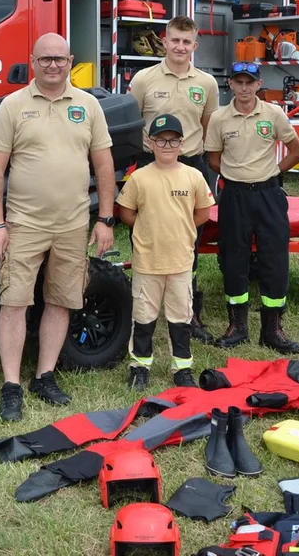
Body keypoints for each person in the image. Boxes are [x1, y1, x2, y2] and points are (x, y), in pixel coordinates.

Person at [0, 33, 117, 421]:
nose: (53, 65)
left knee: (61, 299)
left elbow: (104, 165)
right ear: (33, 61)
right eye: (46, 59)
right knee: (14, 302)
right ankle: (11, 385)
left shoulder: (89, 105)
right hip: (23, 223)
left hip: (74, 223)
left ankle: (45, 375)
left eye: (60, 59)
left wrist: (105, 219)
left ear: (70, 60)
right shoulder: (13, 106)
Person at [127, 15, 221, 344]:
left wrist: (207, 172)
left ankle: (188, 314)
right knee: (146, 236)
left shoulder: (206, 84)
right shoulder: (143, 79)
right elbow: (130, 123)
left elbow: (209, 126)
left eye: (187, 42)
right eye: (174, 40)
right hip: (150, 164)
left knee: (189, 242)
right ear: (164, 42)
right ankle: (143, 311)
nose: (180, 47)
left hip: (191, 165)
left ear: (195, 46)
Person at [204, 62, 299, 353]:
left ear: (259, 84)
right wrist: (237, 175)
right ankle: (237, 327)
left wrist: (274, 173)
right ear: (231, 85)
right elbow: (214, 159)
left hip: (268, 195)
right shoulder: (220, 118)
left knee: (275, 260)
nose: (244, 88)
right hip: (234, 197)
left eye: (250, 82)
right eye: (238, 82)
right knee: (234, 259)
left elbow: (296, 151)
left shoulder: (273, 114)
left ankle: (273, 330)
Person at [116, 113, 215, 391]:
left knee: (181, 317)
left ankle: (182, 368)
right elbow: (126, 212)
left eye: (173, 141)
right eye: (161, 141)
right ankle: (140, 366)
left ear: (182, 144)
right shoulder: (139, 177)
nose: (167, 146)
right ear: (151, 143)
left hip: (181, 260)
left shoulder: (193, 176)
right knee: (144, 317)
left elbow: (203, 213)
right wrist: (149, 228)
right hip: (148, 261)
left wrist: (180, 228)